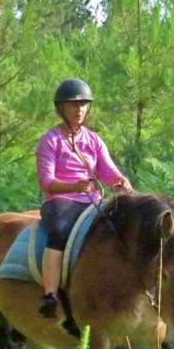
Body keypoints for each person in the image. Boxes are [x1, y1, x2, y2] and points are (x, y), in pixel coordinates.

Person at [35, 78, 132, 318]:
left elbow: (107, 170)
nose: (79, 110)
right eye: (72, 105)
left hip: (92, 200)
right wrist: (74, 185)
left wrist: (120, 181)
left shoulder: (94, 140)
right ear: (61, 108)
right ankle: (50, 294)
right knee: (58, 230)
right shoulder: (50, 141)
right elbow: (46, 182)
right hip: (61, 201)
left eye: (83, 105)